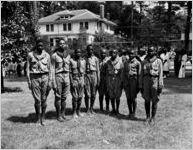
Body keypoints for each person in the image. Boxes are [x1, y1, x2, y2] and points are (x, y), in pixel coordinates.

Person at [26, 39, 52, 126]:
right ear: (36, 46)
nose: (40, 47)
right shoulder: (30, 55)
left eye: (42, 46)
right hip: (34, 78)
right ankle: (38, 118)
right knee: (37, 100)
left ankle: (43, 118)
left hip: (45, 77)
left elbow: (50, 69)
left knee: (44, 99)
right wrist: (29, 81)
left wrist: (50, 81)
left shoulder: (47, 55)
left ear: (43, 46)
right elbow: (27, 69)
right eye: (38, 46)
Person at [140, 48, 163, 126]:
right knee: (146, 100)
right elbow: (141, 74)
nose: (150, 52)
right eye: (149, 51)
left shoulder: (158, 61)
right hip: (146, 82)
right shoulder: (144, 61)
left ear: (155, 52)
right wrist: (141, 85)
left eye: (152, 51)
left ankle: (153, 118)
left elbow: (160, 74)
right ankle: (147, 117)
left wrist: (160, 85)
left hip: (154, 81)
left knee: (154, 100)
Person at [51, 39, 71, 122]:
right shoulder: (54, 55)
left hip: (66, 76)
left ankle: (63, 114)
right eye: (60, 44)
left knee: (64, 97)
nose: (62, 45)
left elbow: (69, 68)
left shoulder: (68, 55)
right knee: (58, 97)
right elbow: (52, 68)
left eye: (63, 43)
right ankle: (58, 115)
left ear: (65, 45)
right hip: (58, 76)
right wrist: (53, 82)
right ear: (58, 45)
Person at [123, 49, 141, 119]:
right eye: (130, 54)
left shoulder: (138, 63)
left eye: (132, 54)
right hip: (127, 82)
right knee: (128, 98)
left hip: (134, 81)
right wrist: (123, 83)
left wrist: (139, 85)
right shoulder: (126, 62)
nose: (131, 55)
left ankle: (134, 113)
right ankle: (130, 112)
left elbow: (139, 75)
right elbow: (124, 73)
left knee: (133, 98)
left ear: (135, 54)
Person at [106, 49, 124, 115]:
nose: (113, 54)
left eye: (114, 53)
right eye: (112, 53)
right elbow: (107, 72)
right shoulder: (108, 62)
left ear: (117, 53)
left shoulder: (120, 61)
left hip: (117, 79)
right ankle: (113, 109)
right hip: (110, 79)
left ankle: (117, 110)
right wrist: (107, 82)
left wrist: (121, 82)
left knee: (117, 96)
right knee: (111, 95)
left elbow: (122, 72)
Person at [69, 49, 86, 119]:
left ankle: (78, 111)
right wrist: (71, 81)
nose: (78, 53)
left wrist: (84, 81)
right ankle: (74, 112)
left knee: (80, 97)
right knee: (75, 97)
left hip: (81, 79)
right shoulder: (71, 61)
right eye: (77, 52)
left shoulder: (83, 61)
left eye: (79, 52)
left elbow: (84, 72)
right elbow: (69, 72)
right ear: (75, 53)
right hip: (74, 79)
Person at [84, 44, 100, 114]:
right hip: (87, 75)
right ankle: (87, 109)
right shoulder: (84, 59)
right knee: (87, 94)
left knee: (93, 94)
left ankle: (91, 108)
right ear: (87, 50)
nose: (90, 51)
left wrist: (98, 79)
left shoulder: (96, 59)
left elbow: (98, 70)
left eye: (91, 49)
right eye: (88, 49)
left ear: (93, 50)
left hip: (94, 75)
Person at [98, 48, 110, 112]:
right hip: (100, 79)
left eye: (104, 53)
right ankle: (101, 107)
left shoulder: (108, 61)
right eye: (102, 53)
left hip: (107, 79)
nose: (103, 54)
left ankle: (107, 107)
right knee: (101, 95)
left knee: (107, 95)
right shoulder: (98, 60)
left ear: (106, 54)